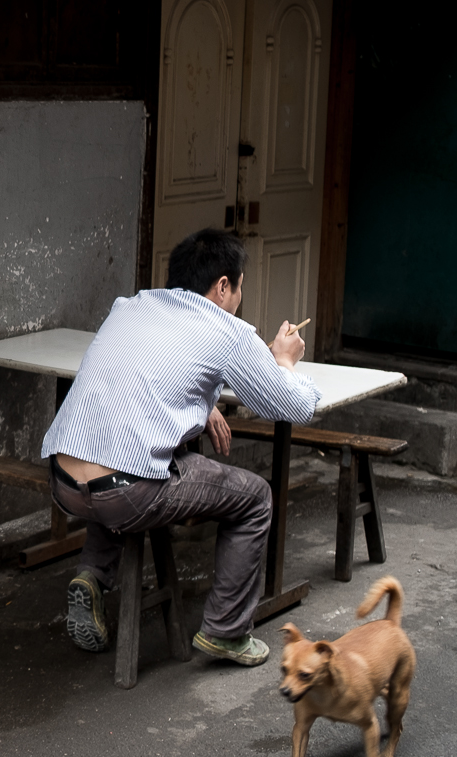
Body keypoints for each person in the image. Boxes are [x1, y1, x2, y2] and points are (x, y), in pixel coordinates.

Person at [41, 227, 319, 667]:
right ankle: (226, 632)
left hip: (62, 481)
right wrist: (283, 361)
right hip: (125, 494)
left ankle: (92, 575)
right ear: (223, 285)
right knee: (255, 497)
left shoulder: (131, 306)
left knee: (125, 453)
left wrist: (201, 401)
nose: (239, 298)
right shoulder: (228, 330)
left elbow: (138, 380)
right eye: (240, 286)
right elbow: (293, 405)